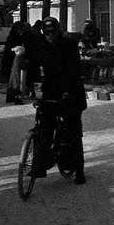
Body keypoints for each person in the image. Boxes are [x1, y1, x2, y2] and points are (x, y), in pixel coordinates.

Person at [35, 16, 87, 184]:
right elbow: (35, 68)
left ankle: (79, 170)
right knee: (44, 129)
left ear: (57, 31)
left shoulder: (69, 45)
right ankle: (40, 165)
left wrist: (68, 92)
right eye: (46, 32)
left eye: (52, 31)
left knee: (73, 132)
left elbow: (73, 70)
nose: (49, 34)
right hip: (51, 92)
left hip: (71, 92)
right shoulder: (42, 46)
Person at [2, 21, 28, 104]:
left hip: (10, 60)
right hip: (14, 59)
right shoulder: (15, 37)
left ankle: (11, 96)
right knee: (16, 79)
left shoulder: (12, 36)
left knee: (12, 80)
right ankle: (16, 97)